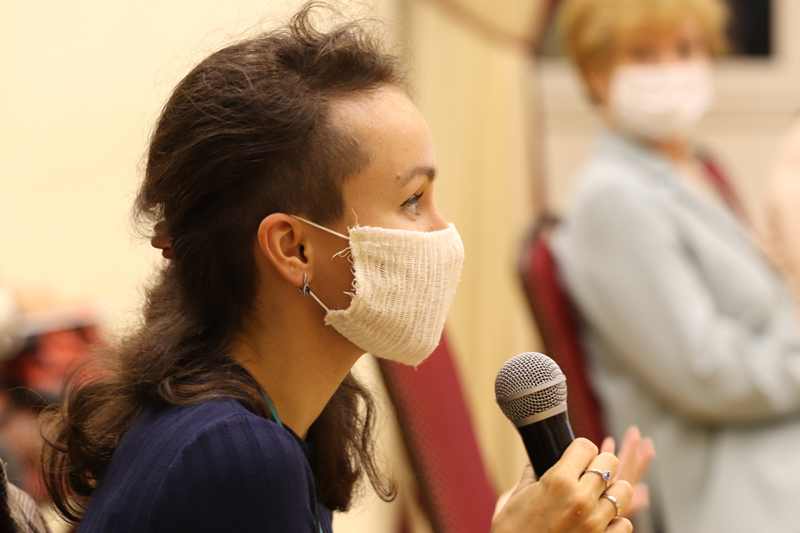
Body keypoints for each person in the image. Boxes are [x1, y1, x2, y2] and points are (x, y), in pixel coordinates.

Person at [40, 4, 635, 533]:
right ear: (294, 248)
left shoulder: (283, 421)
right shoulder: (234, 455)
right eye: (412, 201)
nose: (443, 231)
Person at [552, 0, 800, 532]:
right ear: (595, 72)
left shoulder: (689, 168)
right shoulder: (611, 198)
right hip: (731, 481)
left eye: (685, 49)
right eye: (643, 54)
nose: (670, 69)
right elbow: (706, 371)